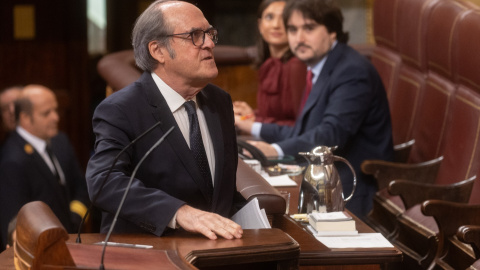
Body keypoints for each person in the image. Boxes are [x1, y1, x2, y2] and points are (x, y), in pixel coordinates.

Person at [86, 0, 245, 240]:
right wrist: (179, 212)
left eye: (210, 33)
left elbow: (222, 193)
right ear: (158, 50)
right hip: (149, 254)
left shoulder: (219, 101)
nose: (210, 43)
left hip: (216, 254)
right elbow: (103, 182)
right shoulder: (121, 109)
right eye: (195, 35)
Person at [235, 0, 394, 219]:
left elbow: (329, 135)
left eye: (308, 28)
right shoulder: (318, 67)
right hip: (321, 180)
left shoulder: (352, 71)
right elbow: (303, 130)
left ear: (332, 31)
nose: (298, 38)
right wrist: (257, 132)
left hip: (349, 190)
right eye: (293, 29)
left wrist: (276, 150)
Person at [0, 85, 89, 250]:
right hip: (42, 252)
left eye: (56, 110)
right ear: (25, 118)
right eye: (46, 113)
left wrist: (75, 218)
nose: (56, 117)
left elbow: (81, 187)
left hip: (70, 243)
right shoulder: (12, 161)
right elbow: (16, 225)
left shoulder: (60, 141)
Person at [233, 0, 307, 126]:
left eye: (284, 17)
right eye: (269, 17)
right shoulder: (267, 64)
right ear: (260, 25)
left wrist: (253, 121)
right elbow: (273, 116)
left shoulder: (297, 65)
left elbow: (301, 125)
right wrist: (251, 114)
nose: (276, 25)